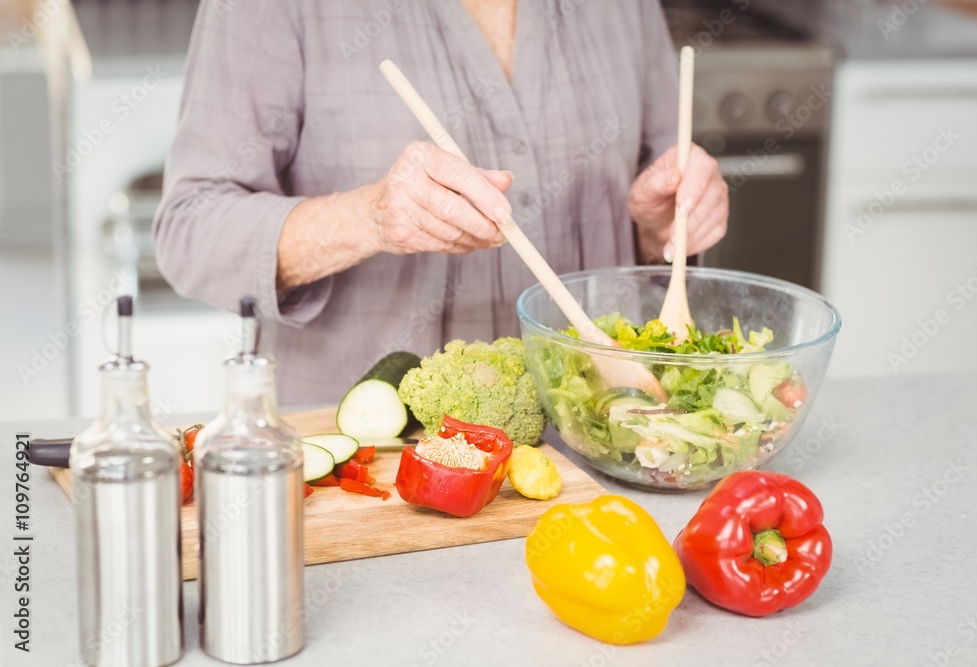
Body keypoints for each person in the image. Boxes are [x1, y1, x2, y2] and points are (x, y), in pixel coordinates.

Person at [153, 0, 729, 406]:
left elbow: (659, 185)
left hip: (597, 432)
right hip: (373, 466)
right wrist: (371, 218)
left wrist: (661, 230)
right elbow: (189, 231)